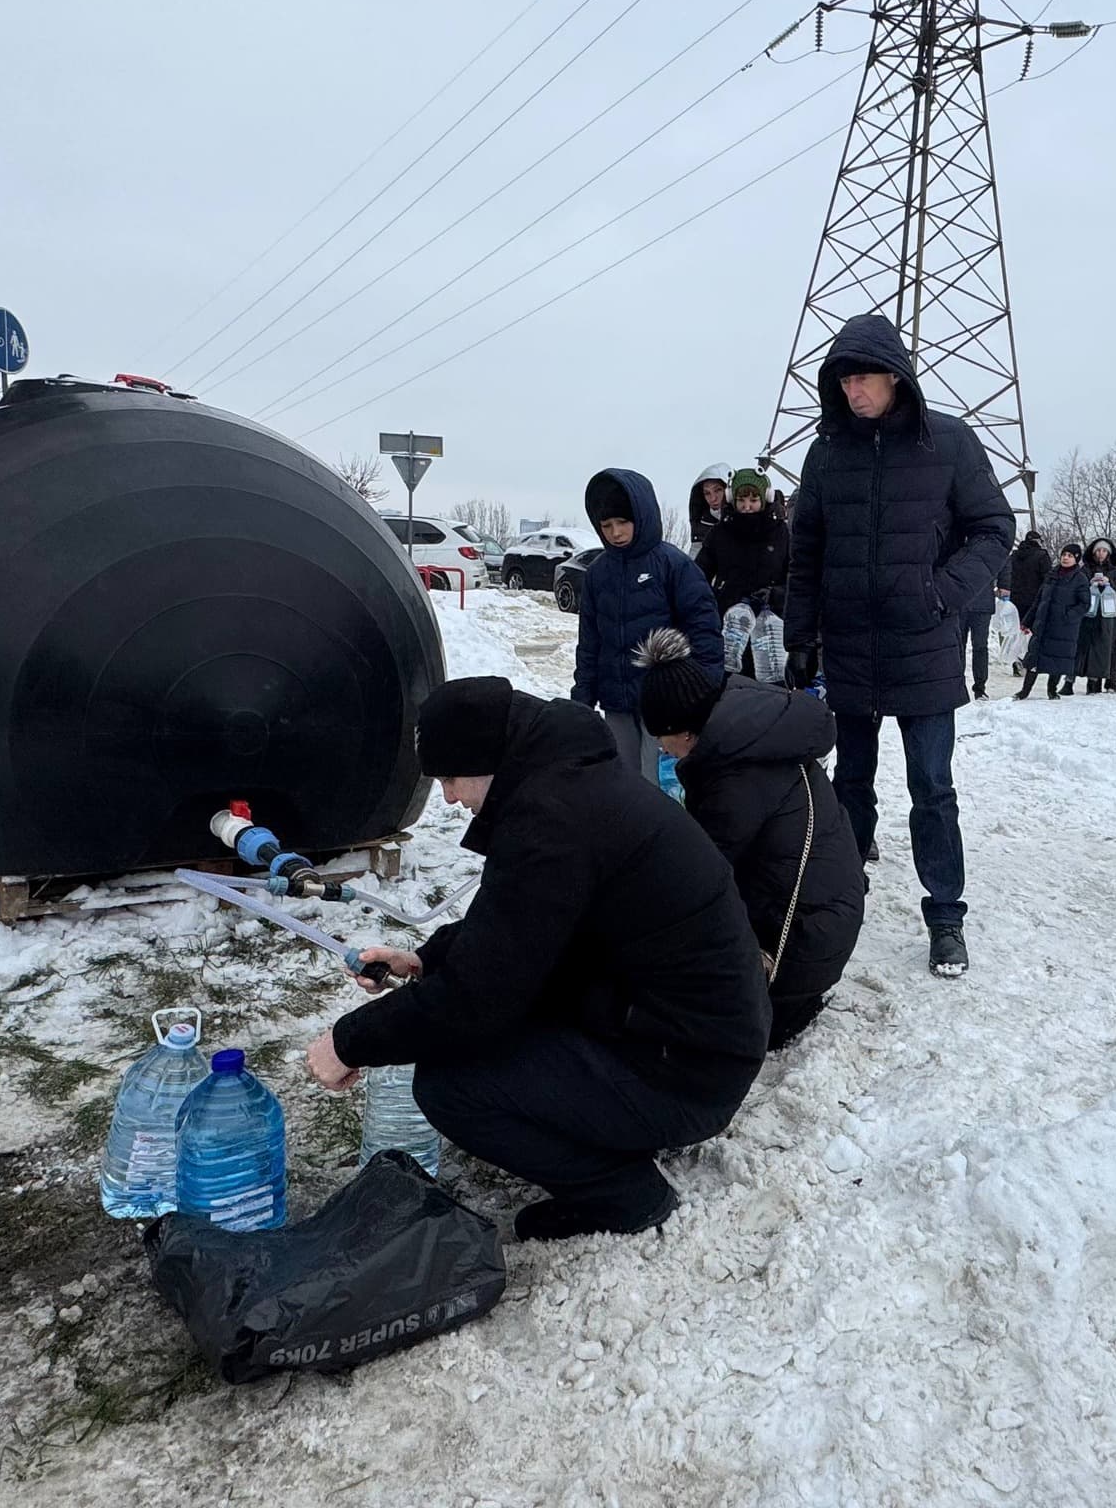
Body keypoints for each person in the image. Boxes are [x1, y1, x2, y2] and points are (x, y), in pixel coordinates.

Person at [305, 676, 768, 1241]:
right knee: (496, 1034)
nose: (449, 797)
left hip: (687, 1069)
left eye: (450, 778)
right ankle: (611, 1130)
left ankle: (623, 1193)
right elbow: (521, 931)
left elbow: (481, 996)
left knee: (450, 1085)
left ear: (486, 761)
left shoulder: (554, 821)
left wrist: (350, 1041)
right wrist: (424, 960)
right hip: (684, 1036)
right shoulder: (568, 786)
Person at [782, 312, 1014, 979]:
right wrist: (801, 639)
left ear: (895, 377)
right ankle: (841, 900)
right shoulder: (825, 454)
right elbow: (809, 556)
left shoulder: (950, 442)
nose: (853, 391)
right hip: (851, 647)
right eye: (842, 380)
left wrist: (943, 592)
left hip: (924, 649)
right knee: (848, 780)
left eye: (863, 378)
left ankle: (946, 917)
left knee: (932, 787)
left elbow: (994, 527)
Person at [636, 629, 865, 1050]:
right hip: (822, 924)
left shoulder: (735, 777)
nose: (660, 748)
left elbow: (698, 878)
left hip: (797, 952)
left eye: (660, 737)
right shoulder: (752, 733)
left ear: (684, 731)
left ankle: (776, 1007)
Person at [573, 467, 722, 782]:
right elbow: (589, 640)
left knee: (658, 783)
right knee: (623, 782)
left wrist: (701, 693)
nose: (616, 533)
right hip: (616, 700)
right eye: (607, 525)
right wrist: (583, 696)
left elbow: (704, 631)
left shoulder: (673, 565)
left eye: (623, 522)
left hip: (664, 704)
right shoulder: (598, 574)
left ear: (642, 516)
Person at [696, 469, 790, 682]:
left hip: (771, 639)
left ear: (765, 498)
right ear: (732, 499)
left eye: (754, 500)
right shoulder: (719, 533)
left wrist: (777, 595)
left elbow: (796, 578)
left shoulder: (781, 533)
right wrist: (719, 601)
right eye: (741, 500)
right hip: (729, 634)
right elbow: (698, 577)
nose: (747, 507)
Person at [1015, 543, 1090, 699]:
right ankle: (1025, 691)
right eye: (1064, 555)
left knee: (1058, 660)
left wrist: (1067, 616)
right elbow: (1039, 600)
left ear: (1076, 558)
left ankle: (1052, 690)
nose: (1065, 558)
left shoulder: (1080, 579)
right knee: (1034, 659)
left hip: (1064, 628)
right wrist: (1028, 620)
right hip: (1044, 624)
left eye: (1070, 555)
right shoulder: (1052, 575)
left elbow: (1084, 604)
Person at [1077, 538, 1116, 693]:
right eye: (1098, 551)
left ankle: (1111, 681)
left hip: (1112, 615)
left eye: (1104, 551)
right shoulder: (1086, 569)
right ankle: (1092, 682)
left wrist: (1109, 584)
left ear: (1109, 553)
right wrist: (1091, 583)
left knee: (1111, 649)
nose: (1101, 554)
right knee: (1092, 648)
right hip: (1091, 615)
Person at [1007, 531, 1051, 661]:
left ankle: (1017, 659)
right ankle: (1031, 659)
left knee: (1018, 631)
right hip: (1035, 600)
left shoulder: (1014, 556)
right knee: (1034, 631)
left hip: (1015, 600)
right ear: (1037, 541)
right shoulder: (1042, 556)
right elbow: (1048, 578)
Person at [961, 578, 996, 699]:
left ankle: (980, 687)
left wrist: (1004, 584)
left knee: (980, 647)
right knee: (958, 647)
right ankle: (957, 684)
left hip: (982, 604)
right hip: (960, 602)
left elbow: (1004, 561)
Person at [688, 463, 731, 545]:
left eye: (718, 490)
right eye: (707, 493)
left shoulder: (744, 519)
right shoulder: (701, 525)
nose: (713, 498)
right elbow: (695, 556)